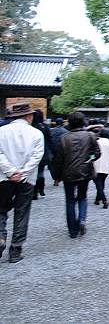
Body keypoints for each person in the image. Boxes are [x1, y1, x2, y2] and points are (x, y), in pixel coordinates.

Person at [0, 103, 44, 263]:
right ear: (29, 116)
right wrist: (23, 172)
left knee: (1, 210)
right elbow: (37, 156)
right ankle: (16, 250)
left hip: (3, 178)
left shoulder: (1, 131)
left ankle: (0, 237)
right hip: (27, 179)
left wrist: (10, 171)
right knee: (22, 212)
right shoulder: (36, 133)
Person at [53, 112, 101, 238]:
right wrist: (89, 158)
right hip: (85, 170)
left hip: (68, 172)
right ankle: (82, 219)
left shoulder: (64, 138)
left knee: (70, 200)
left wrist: (56, 175)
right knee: (82, 197)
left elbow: (58, 159)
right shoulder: (90, 135)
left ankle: (72, 230)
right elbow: (97, 153)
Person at [32, 109, 53, 200]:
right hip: (44, 152)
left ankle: (34, 192)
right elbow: (50, 139)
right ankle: (41, 190)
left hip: (32, 153)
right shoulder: (45, 126)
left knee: (33, 173)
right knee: (41, 172)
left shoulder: (31, 126)